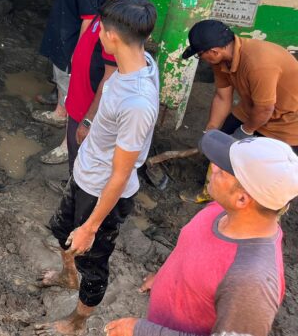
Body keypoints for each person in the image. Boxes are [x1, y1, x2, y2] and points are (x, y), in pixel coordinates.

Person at [36, 0, 159, 336]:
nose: (96, 32)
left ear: (112, 36)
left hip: (102, 191)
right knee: (62, 231)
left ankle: (77, 322)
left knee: (93, 263)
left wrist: (91, 225)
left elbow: (120, 176)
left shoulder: (138, 103)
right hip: (86, 175)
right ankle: (66, 274)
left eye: (99, 28)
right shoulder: (139, 60)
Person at [105, 130, 298, 336]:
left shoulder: (251, 285)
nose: (213, 167)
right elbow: (195, 254)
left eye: (223, 170)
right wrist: (167, 279)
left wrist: (141, 330)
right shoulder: (222, 210)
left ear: (242, 199)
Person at [181, 19, 298, 203]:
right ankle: (212, 193)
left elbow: (265, 108)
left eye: (199, 55)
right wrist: (211, 130)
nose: (201, 59)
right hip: (251, 107)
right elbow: (222, 96)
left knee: (267, 173)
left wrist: (245, 131)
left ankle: (250, 204)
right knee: (221, 145)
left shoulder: (259, 63)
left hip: (287, 121)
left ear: (214, 51)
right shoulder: (221, 59)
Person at [58, 0, 135, 180]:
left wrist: (89, 120)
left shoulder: (119, 19)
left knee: (84, 162)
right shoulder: (110, 5)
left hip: (90, 110)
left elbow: (111, 77)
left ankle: (77, 199)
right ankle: (74, 187)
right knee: (77, 157)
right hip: (81, 101)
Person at [36, 0, 103, 132]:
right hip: (62, 33)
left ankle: (68, 130)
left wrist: (79, 51)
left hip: (72, 40)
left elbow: (88, 17)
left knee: (69, 83)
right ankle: (59, 111)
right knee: (60, 78)